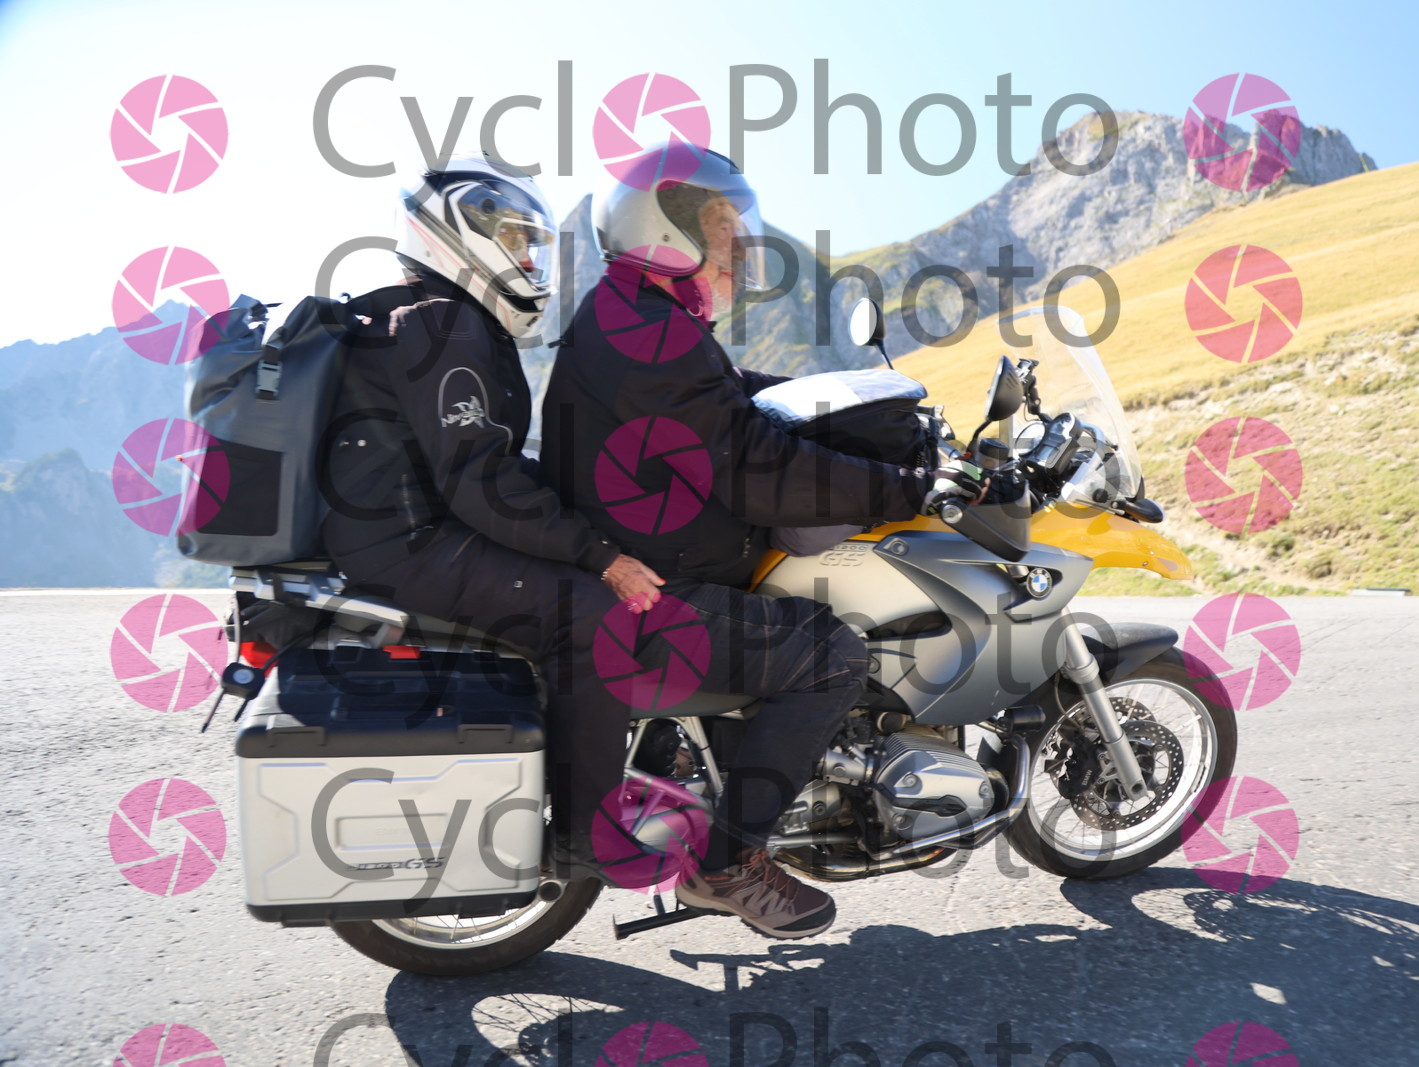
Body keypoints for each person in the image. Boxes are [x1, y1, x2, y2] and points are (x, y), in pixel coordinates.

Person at [542, 143, 978, 938]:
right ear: (666, 229)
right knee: (830, 655)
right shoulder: (645, 331)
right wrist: (906, 487)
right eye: (721, 224)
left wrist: (862, 407)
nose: (739, 244)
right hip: (651, 596)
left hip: (649, 569)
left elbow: (734, 403)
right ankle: (728, 862)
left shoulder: (639, 317)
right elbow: (752, 468)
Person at [317, 152, 665, 881]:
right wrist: (600, 555)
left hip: (415, 531)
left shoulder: (445, 320)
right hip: (410, 543)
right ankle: (585, 837)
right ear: (456, 235)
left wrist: (593, 514)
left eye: (532, 244)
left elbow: (487, 464)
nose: (529, 260)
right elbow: (480, 481)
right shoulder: (444, 326)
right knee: (593, 615)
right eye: (513, 240)